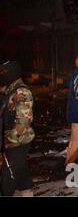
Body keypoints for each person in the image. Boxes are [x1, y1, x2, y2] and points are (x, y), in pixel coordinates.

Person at [0, 61, 34, 197]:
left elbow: (23, 122)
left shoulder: (21, 91)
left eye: (4, 73)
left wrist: (11, 143)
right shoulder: (11, 89)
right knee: (21, 174)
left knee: (8, 178)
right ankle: (27, 193)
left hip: (17, 141)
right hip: (13, 140)